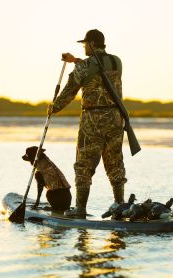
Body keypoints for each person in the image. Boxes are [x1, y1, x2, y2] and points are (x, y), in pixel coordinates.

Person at [47, 29, 127, 217]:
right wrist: (75, 61)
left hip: (92, 120)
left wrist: (54, 107)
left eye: (84, 44)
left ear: (91, 44)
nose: (83, 47)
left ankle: (80, 208)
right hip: (116, 119)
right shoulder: (117, 61)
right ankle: (119, 205)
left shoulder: (85, 67)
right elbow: (97, 69)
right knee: (115, 162)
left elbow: (69, 91)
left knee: (84, 164)